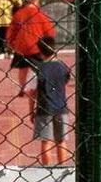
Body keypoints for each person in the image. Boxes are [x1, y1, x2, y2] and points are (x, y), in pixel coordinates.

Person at [26, 37, 70, 166]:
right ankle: (63, 169)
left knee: (46, 141)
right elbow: (65, 83)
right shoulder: (63, 67)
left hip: (45, 108)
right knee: (61, 141)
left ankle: (48, 170)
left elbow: (32, 92)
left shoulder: (37, 69)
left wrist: (31, 111)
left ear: (40, 51)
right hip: (61, 108)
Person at [7, 0, 55, 96]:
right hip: (36, 46)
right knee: (41, 69)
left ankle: (22, 88)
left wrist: (11, 43)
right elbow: (49, 31)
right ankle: (43, 88)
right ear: (36, 2)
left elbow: (12, 30)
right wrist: (48, 44)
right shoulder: (40, 14)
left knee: (22, 69)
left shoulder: (19, 14)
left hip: (21, 46)